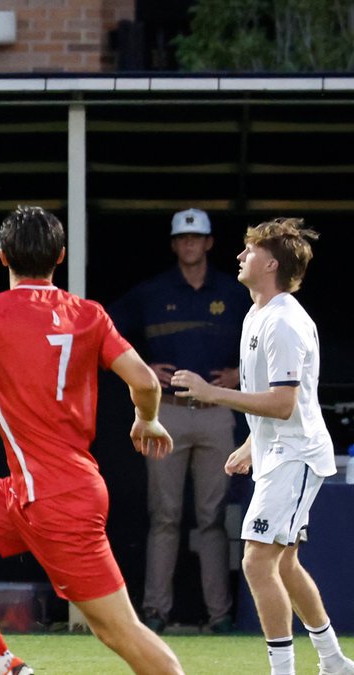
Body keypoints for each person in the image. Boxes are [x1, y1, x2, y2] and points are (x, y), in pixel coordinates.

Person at [0, 206, 184, 675]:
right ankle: (1, 664)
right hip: (36, 488)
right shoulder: (89, 314)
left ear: (2, 257)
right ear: (59, 256)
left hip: (56, 499)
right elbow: (145, 381)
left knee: (119, 631)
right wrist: (147, 420)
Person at [171, 218, 354, 675]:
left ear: (270, 263)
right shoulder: (258, 313)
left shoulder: (286, 322)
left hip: (296, 457)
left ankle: (283, 670)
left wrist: (213, 394)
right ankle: (333, 661)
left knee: (256, 560)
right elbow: (276, 398)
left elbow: (285, 401)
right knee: (285, 564)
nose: (239, 256)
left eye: (249, 250)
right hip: (278, 454)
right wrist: (254, 441)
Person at [108, 207, 250, 634]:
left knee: (212, 517)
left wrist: (240, 375)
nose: (190, 245)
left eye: (197, 238)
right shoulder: (151, 293)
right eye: (182, 239)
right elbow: (104, 331)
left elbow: (267, 340)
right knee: (164, 516)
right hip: (164, 413)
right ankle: (156, 611)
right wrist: (143, 369)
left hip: (217, 412)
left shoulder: (234, 291)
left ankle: (220, 614)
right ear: (175, 245)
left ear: (208, 243)